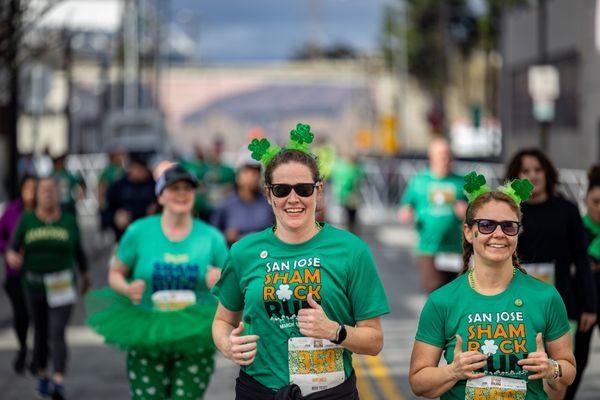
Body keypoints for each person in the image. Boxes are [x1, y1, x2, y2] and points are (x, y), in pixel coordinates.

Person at [212, 123, 390, 399]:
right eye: (282, 190)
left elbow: (374, 340)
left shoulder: (351, 250)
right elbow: (222, 320)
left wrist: (334, 330)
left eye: (304, 189)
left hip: (330, 394)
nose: (293, 199)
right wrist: (227, 344)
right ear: (269, 194)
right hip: (260, 392)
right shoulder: (243, 252)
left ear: (318, 191)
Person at [409, 172, 576, 399]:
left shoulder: (545, 296)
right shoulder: (442, 301)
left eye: (508, 226)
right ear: (469, 232)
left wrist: (551, 368)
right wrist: (453, 371)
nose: (498, 234)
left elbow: (568, 371)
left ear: (518, 232)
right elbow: (418, 382)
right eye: (487, 225)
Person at [86, 164, 228, 400]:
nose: (182, 194)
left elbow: (232, 285)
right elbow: (115, 274)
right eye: (174, 188)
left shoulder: (211, 237)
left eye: (188, 188)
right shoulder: (139, 231)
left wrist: (219, 281)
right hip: (148, 329)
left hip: (195, 333)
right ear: (160, 195)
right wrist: (127, 288)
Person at [504, 149, 597, 400]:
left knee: (558, 376)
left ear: (547, 173)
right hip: (518, 305)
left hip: (562, 302)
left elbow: (581, 258)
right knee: (524, 375)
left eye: (538, 170)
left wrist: (589, 304)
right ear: (515, 176)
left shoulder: (566, 209)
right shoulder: (508, 212)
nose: (533, 175)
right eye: (525, 171)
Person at [6, 176, 90, 400]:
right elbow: (13, 246)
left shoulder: (68, 221)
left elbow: (79, 251)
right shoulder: (27, 220)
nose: (48, 194)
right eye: (43, 190)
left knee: (57, 331)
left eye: (52, 190)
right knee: (41, 332)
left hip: (61, 283)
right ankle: (43, 373)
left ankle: (59, 379)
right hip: (34, 283)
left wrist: (86, 275)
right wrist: (12, 256)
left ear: (58, 194)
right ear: (37, 195)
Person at [398, 138, 467, 293]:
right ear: (432, 157)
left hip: (455, 249)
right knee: (434, 291)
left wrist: (467, 211)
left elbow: (478, 212)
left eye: (449, 154)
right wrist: (406, 212)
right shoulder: (419, 181)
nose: (446, 158)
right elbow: (406, 204)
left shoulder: (461, 182)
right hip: (429, 248)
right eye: (442, 154)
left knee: (456, 293)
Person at [0, 175, 36, 374]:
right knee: (21, 314)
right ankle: (23, 347)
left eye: (34, 188)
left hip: (39, 273)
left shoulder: (44, 212)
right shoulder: (11, 212)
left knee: (38, 315)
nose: (31, 193)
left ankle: (39, 354)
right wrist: (9, 252)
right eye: (28, 188)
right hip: (15, 273)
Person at [570, 164, 600, 397]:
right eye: (596, 202)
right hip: (582, 306)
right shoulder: (576, 228)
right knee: (576, 360)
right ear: (586, 200)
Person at [210, 160, 274, 246]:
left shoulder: (268, 203)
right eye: (247, 172)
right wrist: (226, 236)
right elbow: (213, 234)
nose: (252, 177)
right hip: (236, 252)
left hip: (264, 252)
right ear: (238, 176)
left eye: (256, 173)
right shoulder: (226, 204)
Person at [105, 154, 156, 240]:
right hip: (125, 234)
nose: (140, 172)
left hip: (148, 233)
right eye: (137, 168)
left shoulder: (153, 185)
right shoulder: (118, 187)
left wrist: (156, 210)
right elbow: (106, 211)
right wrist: (115, 217)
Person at [330, 154, 363, 234]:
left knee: (347, 215)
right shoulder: (352, 169)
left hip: (343, 195)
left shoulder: (342, 167)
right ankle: (350, 231)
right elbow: (353, 181)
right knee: (350, 216)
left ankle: (349, 231)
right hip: (349, 195)